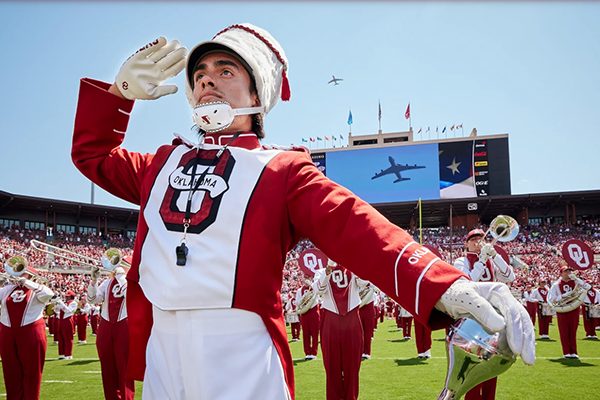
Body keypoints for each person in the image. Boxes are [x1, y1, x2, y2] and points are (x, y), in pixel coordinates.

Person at [71, 23, 535, 400]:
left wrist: (446, 282)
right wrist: (119, 93)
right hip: (161, 345)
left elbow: (357, 227)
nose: (206, 78)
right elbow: (92, 155)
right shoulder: (160, 163)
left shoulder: (282, 169)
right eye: (200, 74)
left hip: (240, 347)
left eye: (226, 69)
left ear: (259, 91)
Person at [453, 228, 515, 400]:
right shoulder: (461, 261)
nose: (478, 241)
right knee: (472, 364)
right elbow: (467, 283)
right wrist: (480, 261)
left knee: (491, 363)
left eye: (481, 238)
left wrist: (496, 256)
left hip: (492, 316)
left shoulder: (492, 261)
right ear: (466, 244)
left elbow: (510, 277)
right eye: (473, 239)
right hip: (472, 316)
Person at [315, 260, 367, 400]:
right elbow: (319, 290)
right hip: (330, 320)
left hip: (352, 319)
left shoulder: (353, 267)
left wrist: (354, 262)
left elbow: (364, 281)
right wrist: (328, 269)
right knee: (331, 367)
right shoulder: (320, 271)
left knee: (352, 367)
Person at [0, 266, 53, 400]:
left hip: (31, 331)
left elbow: (48, 294)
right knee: (10, 371)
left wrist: (27, 283)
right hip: (7, 331)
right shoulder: (8, 289)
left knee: (32, 371)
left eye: (24, 273)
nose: (19, 276)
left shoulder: (38, 290)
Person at [88, 266, 135, 400]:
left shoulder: (132, 281)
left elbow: (130, 296)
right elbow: (92, 300)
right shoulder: (107, 283)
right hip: (106, 324)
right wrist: (94, 281)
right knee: (107, 366)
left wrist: (121, 277)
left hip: (124, 323)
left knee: (124, 366)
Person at [549, 266, 591, 359]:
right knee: (564, 331)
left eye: (569, 271)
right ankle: (566, 352)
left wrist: (577, 279)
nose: (568, 273)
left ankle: (574, 351)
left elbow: (588, 287)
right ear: (561, 273)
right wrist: (563, 295)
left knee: (573, 330)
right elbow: (552, 299)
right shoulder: (556, 285)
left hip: (574, 308)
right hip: (562, 308)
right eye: (566, 271)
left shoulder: (576, 282)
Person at [296, 275, 320, 360]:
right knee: (306, 334)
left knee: (314, 334)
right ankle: (307, 352)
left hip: (313, 312)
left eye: (307, 278)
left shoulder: (315, 288)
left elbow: (319, 295)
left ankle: (314, 352)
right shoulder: (299, 290)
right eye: (304, 278)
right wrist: (304, 298)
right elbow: (297, 302)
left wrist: (312, 284)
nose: (305, 280)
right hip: (304, 313)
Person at [54, 290, 78, 360]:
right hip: (61, 320)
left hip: (67, 320)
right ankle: (64, 353)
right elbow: (56, 311)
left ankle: (69, 354)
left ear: (71, 296)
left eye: (67, 296)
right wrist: (56, 305)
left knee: (68, 337)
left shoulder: (73, 303)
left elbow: (68, 311)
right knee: (61, 337)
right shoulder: (64, 303)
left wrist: (61, 304)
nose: (66, 297)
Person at [358, 282, 377, 360]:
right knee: (358, 331)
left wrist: (368, 284)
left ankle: (366, 352)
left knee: (368, 331)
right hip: (358, 306)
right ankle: (359, 351)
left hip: (368, 306)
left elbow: (376, 288)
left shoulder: (371, 279)